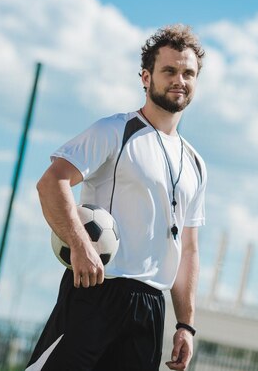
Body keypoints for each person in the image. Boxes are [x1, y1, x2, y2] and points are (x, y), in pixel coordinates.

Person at [26, 24, 207, 371]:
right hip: (97, 291)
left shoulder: (196, 163)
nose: (179, 80)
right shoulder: (115, 130)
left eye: (188, 73)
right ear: (145, 76)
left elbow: (189, 247)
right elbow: (52, 183)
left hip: (150, 308)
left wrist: (185, 324)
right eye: (169, 70)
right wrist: (80, 245)